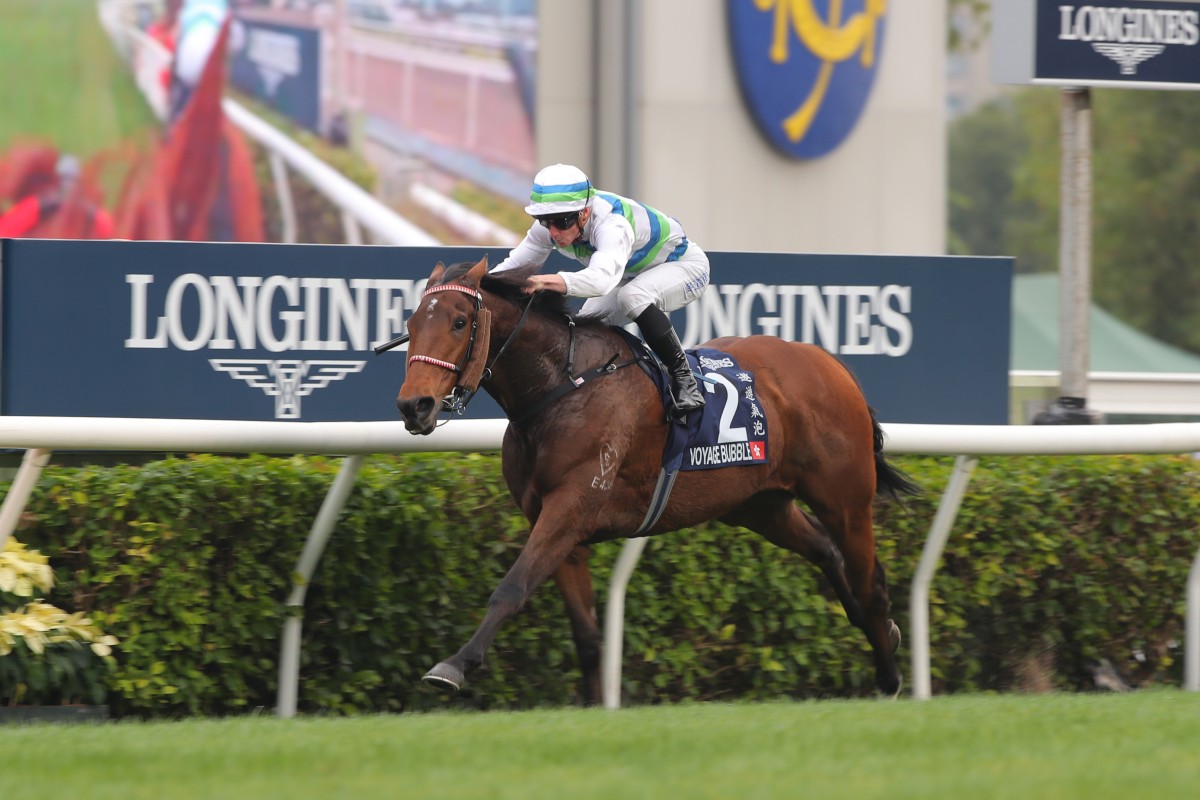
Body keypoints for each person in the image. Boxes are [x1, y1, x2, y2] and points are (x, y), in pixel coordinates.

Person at [492, 163, 709, 416]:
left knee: (633, 296)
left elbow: (601, 281)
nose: (552, 232)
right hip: (629, 274)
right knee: (588, 323)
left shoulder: (612, 224)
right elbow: (512, 267)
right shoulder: (552, 227)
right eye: (544, 221)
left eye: (561, 222)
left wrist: (544, 281)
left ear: (584, 213)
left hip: (685, 265)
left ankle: (684, 380)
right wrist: (472, 284)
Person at [0, 154, 113, 239]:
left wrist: (88, 210)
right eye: (64, 178)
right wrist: (42, 205)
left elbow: (112, 233)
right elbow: (5, 230)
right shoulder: (39, 204)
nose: (68, 185)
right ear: (56, 180)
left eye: (72, 180)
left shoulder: (90, 212)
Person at [168, 0, 230, 124]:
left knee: (181, 101)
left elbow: (174, 36)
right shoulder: (222, 7)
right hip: (208, 66)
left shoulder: (190, 6)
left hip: (189, 65)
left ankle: (175, 123)